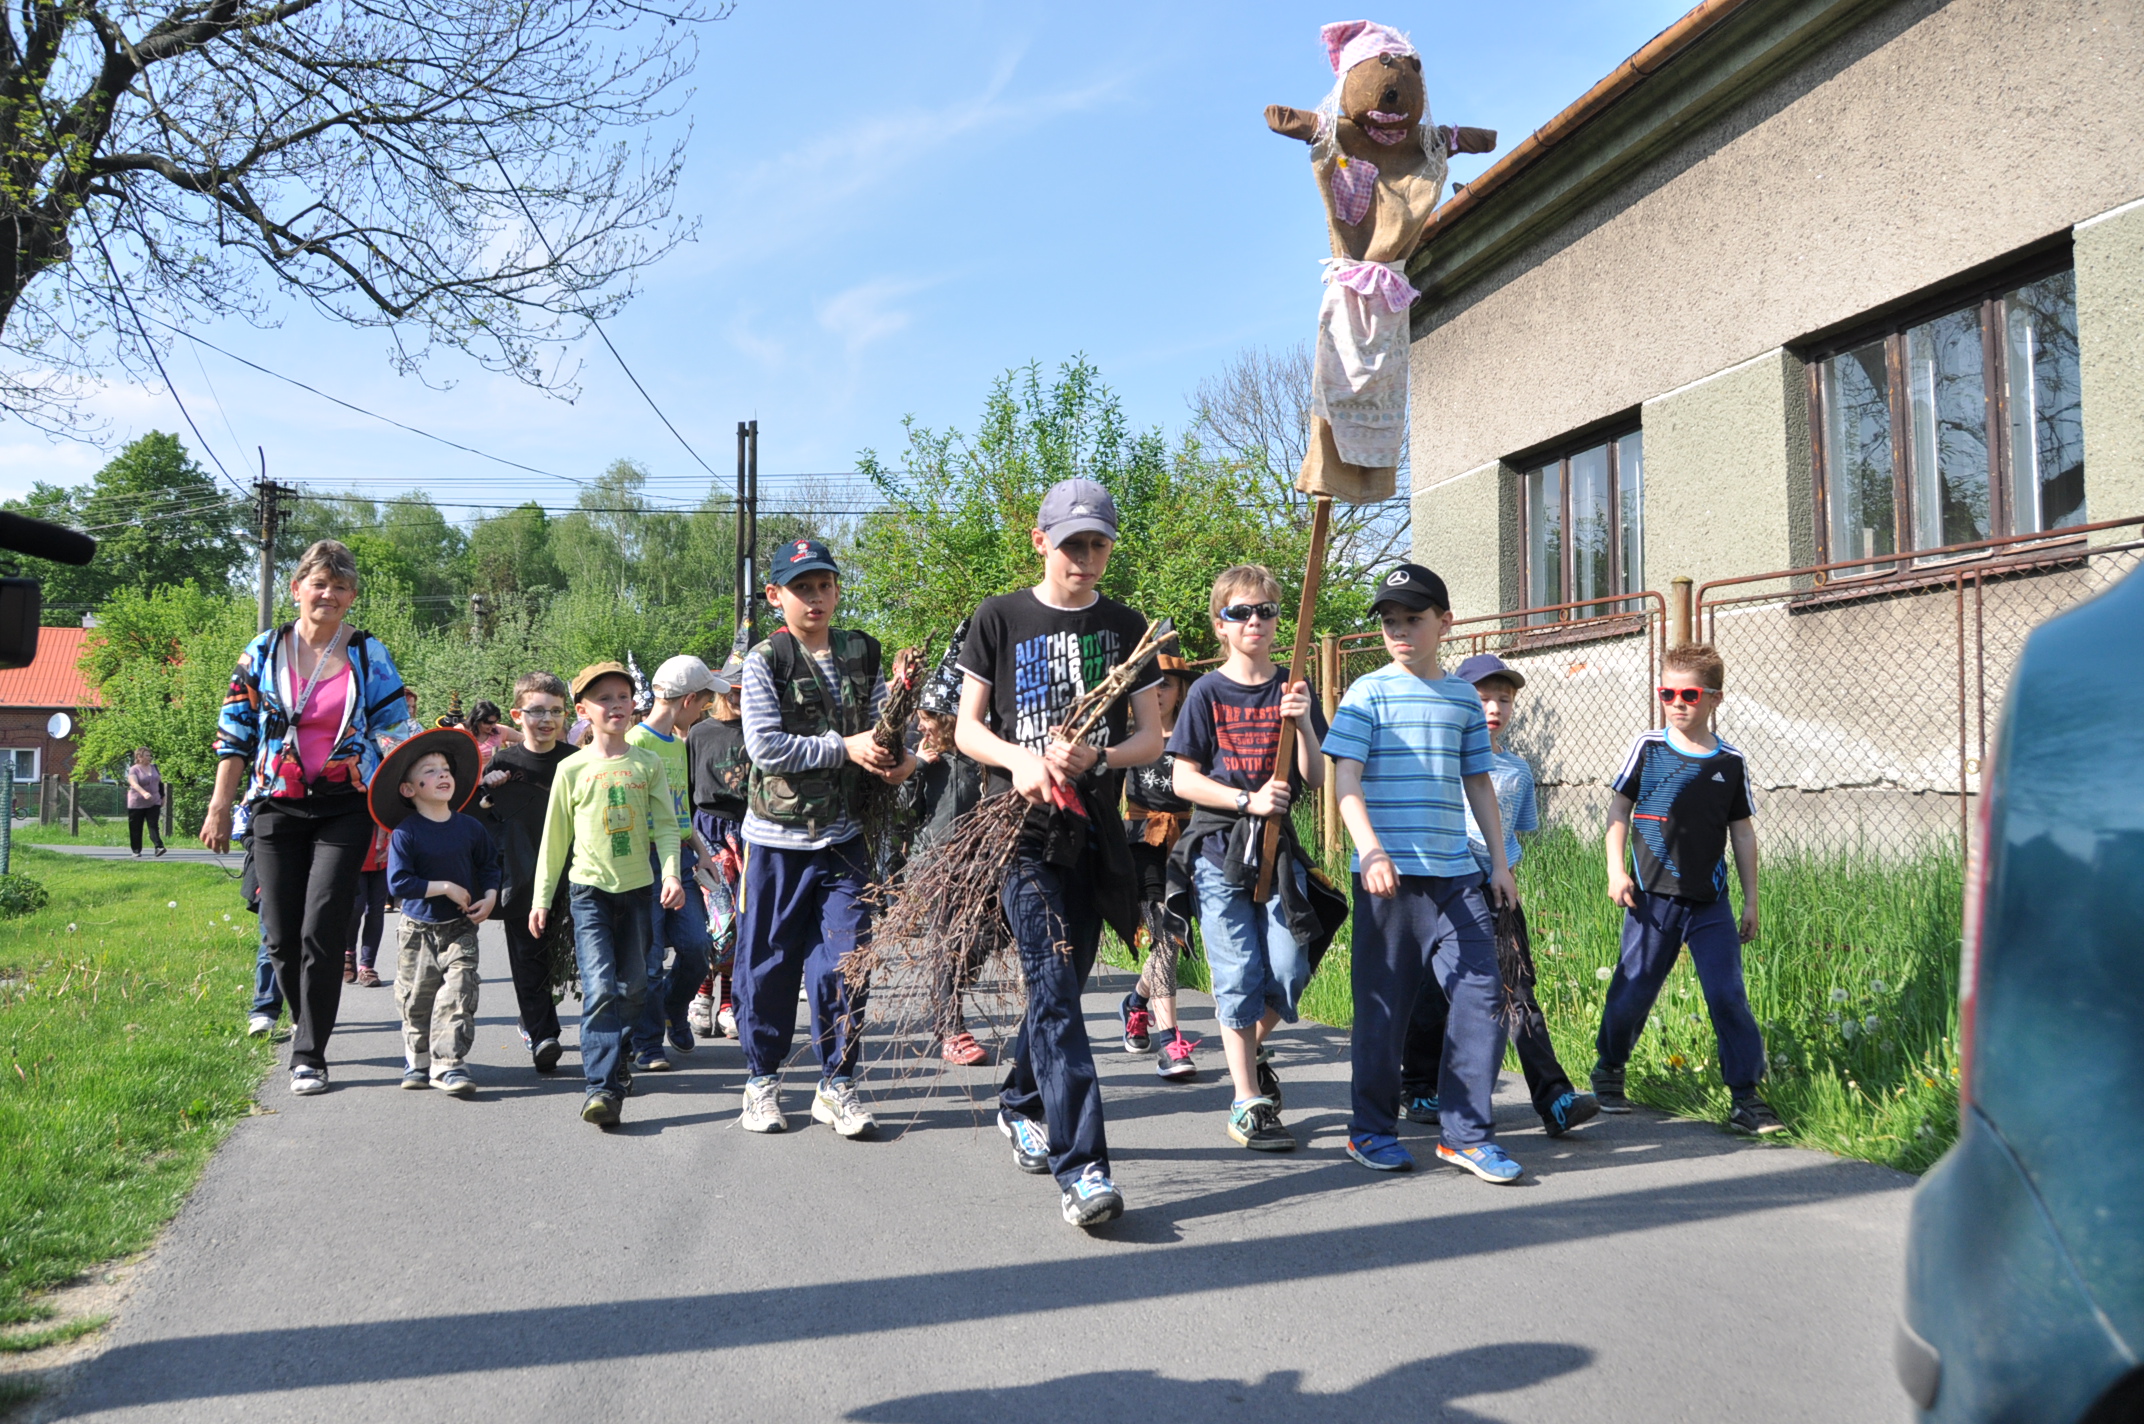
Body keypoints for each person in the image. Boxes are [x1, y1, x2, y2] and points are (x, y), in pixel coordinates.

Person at [955, 478, 1167, 1228]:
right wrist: (1017, 760)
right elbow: (966, 729)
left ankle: (1019, 1099)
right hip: (1017, 832)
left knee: (1063, 988)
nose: (1084, 556)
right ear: (1041, 541)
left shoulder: (1126, 626)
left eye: (1097, 543)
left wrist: (1100, 760)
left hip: (1093, 831)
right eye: (1071, 542)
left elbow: (1151, 737)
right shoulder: (1000, 617)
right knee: (1050, 981)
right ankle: (1085, 1171)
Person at [1326, 562, 1522, 1183]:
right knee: (1385, 1008)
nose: (1401, 630)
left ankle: (1464, 1135)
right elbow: (1345, 778)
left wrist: (1498, 862)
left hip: (1458, 875)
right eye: (1390, 621)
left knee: (1484, 995)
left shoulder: (1464, 698)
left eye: (1414, 618)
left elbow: (1478, 783)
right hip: (1391, 880)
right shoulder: (1367, 692)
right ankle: (1370, 1130)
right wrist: (1370, 850)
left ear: (1445, 623)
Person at [203, 539, 420, 1097]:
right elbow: (235, 734)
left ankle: (310, 1054)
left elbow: (396, 732)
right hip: (275, 805)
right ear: (296, 589)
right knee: (278, 932)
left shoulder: (369, 654)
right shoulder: (261, 651)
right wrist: (221, 806)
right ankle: (306, 1016)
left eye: (341, 586)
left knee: (322, 927)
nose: (329, 594)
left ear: (352, 596)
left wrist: (410, 802)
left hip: (345, 808)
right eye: (319, 583)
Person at [734, 539, 912, 1139]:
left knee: (845, 963)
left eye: (825, 585)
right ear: (775, 595)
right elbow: (765, 747)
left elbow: (886, 724)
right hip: (777, 839)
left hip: (845, 838)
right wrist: (847, 748)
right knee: (768, 967)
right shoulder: (766, 660)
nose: (816, 598)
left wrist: (901, 756)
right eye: (802, 587)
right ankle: (761, 1081)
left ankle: (836, 1083)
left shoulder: (862, 649)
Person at [1166, 566, 1333, 1153]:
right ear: (1221, 625)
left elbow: (1313, 777)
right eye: (1241, 612)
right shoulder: (1207, 693)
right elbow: (1183, 779)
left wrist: (1303, 725)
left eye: (1264, 610)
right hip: (1218, 849)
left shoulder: (1292, 686)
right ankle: (1246, 1102)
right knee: (1237, 972)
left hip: (1278, 851)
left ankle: (1245, 1042)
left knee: (1288, 970)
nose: (1255, 620)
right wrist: (1247, 798)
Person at [1396, 654, 1599, 1137]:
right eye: (1483, 697)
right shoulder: (1438, 759)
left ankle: (1555, 1100)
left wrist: (1505, 874)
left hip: (1496, 894)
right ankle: (1419, 1085)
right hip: (1445, 890)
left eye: (1503, 699)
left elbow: (1514, 832)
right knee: (1433, 995)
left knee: (1519, 991)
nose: (1493, 707)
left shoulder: (1517, 771)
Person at [1593, 642, 1782, 1137]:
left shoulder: (1731, 762)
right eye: (1667, 692)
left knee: (1727, 995)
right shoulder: (1648, 747)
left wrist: (1752, 899)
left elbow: (1742, 832)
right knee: (1633, 989)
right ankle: (1609, 1066)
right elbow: (1619, 811)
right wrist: (1616, 871)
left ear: (1715, 698)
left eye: (1690, 694)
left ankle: (1746, 1098)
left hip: (1710, 903)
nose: (1677, 702)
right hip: (1650, 896)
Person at [531, 662, 684, 1127]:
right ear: (583, 711)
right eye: (604, 700)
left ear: (634, 703)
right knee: (599, 988)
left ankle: (615, 1058)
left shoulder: (648, 763)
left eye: (623, 696)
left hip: (639, 891)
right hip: (589, 893)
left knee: (634, 987)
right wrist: (541, 899)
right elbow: (554, 839)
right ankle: (601, 1089)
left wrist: (673, 874)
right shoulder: (572, 769)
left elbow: (668, 827)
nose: (615, 705)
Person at [377, 728, 499, 1098]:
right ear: (408, 789)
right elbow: (399, 883)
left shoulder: (471, 828)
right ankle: (417, 1060)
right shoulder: (406, 833)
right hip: (417, 929)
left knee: (460, 991)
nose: (442, 775)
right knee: (417, 999)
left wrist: (490, 896)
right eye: (429, 771)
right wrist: (444, 886)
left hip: (460, 927)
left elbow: (490, 866)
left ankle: (449, 1064)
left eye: (445, 768)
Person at [475, 671, 577, 1074]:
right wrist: (487, 788)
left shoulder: (575, 760)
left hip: (572, 875)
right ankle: (543, 1034)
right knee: (528, 956)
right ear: (517, 715)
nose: (546, 719)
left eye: (555, 711)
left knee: (561, 954)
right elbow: (481, 818)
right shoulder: (504, 762)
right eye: (536, 711)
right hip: (522, 878)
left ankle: (539, 1022)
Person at [626, 655, 721, 1073]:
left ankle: (672, 1010)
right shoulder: (635, 744)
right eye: (703, 702)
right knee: (647, 961)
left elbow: (681, 812)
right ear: (687, 701)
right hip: (642, 865)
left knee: (698, 948)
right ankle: (648, 1045)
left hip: (681, 859)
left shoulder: (679, 746)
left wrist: (701, 851)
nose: (705, 710)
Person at [900, 625, 987, 1065]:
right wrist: (914, 768)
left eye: (928, 719)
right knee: (946, 941)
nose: (921, 725)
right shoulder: (924, 762)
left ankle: (948, 991)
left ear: (949, 719)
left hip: (982, 862)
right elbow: (902, 812)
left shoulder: (980, 758)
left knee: (987, 935)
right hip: (936, 864)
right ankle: (950, 1025)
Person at [1117, 654, 1202, 1081]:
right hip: (1142, 841)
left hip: (1188, 842)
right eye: (1151, 684)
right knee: (1165, 937)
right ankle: (1171, 1043)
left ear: (1182, 689)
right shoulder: (1132, 737)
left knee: (1175, 936)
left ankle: (1136, 1004)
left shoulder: (1198, 734)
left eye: (1167, 683)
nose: (1159, 691)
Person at [685, 656, 748, 1038]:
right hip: (708, 833)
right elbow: (689, 791)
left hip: (748, 833)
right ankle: (703, 993)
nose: (740, 697)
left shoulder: (759, 731)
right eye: (734, 690)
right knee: (716, 921)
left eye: (747, 691)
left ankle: (728, 1001)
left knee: (743, 920)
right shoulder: (699, 732)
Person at [345, 824, 391, 987]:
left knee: (375, 911)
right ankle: (348, 953)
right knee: (355, 907)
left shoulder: (384, 799)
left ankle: (367, 966)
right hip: (355, 859)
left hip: (383, 859)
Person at [124, 748, 166, 857]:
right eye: (147, 755)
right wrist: (144, 793)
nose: (149, 757)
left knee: (153, 824)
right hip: (137, 802)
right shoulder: (134, 769)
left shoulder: (154, 767)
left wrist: (163, 797)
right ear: (139, 757)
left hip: (154, 801)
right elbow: (133, 783)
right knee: (136, 827)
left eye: (150, 755)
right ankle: (136, 850)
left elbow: (160, 783)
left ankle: (159, 847)